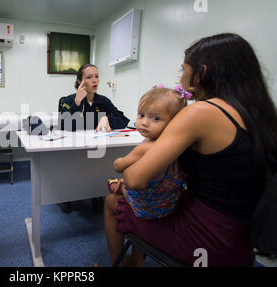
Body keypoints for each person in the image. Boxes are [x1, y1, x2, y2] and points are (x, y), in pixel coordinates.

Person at [103, 33, 277, 267]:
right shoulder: (259, 112)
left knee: (112, 200)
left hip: (206, 239)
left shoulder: (201, 112)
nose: (180, 76)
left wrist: (146, 148)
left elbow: (134, 179)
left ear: (202, 72)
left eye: (183, 68)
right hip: (244, 236)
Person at [59, 64, 130, 213]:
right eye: (89, 77)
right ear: (80, 81)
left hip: (96, 147)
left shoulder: (103, 101)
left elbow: (123, 119)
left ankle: (95, 194)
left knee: (99, 165)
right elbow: (65, 125)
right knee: (72, 168)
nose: (94, 80)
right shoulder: (69, 100)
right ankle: (64, 195)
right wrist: (77, 103)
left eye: (96, 76)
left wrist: (106, 120)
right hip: (75, 148)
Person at [111, 85, 188, 220]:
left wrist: (118, 161)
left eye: (156, 119)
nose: (144, 122)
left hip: (148, 208)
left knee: (115, 184)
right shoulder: (179, 144)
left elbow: (119, 166)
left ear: (174, 122)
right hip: (170, 203)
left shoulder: (146, 147)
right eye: (141, 115)